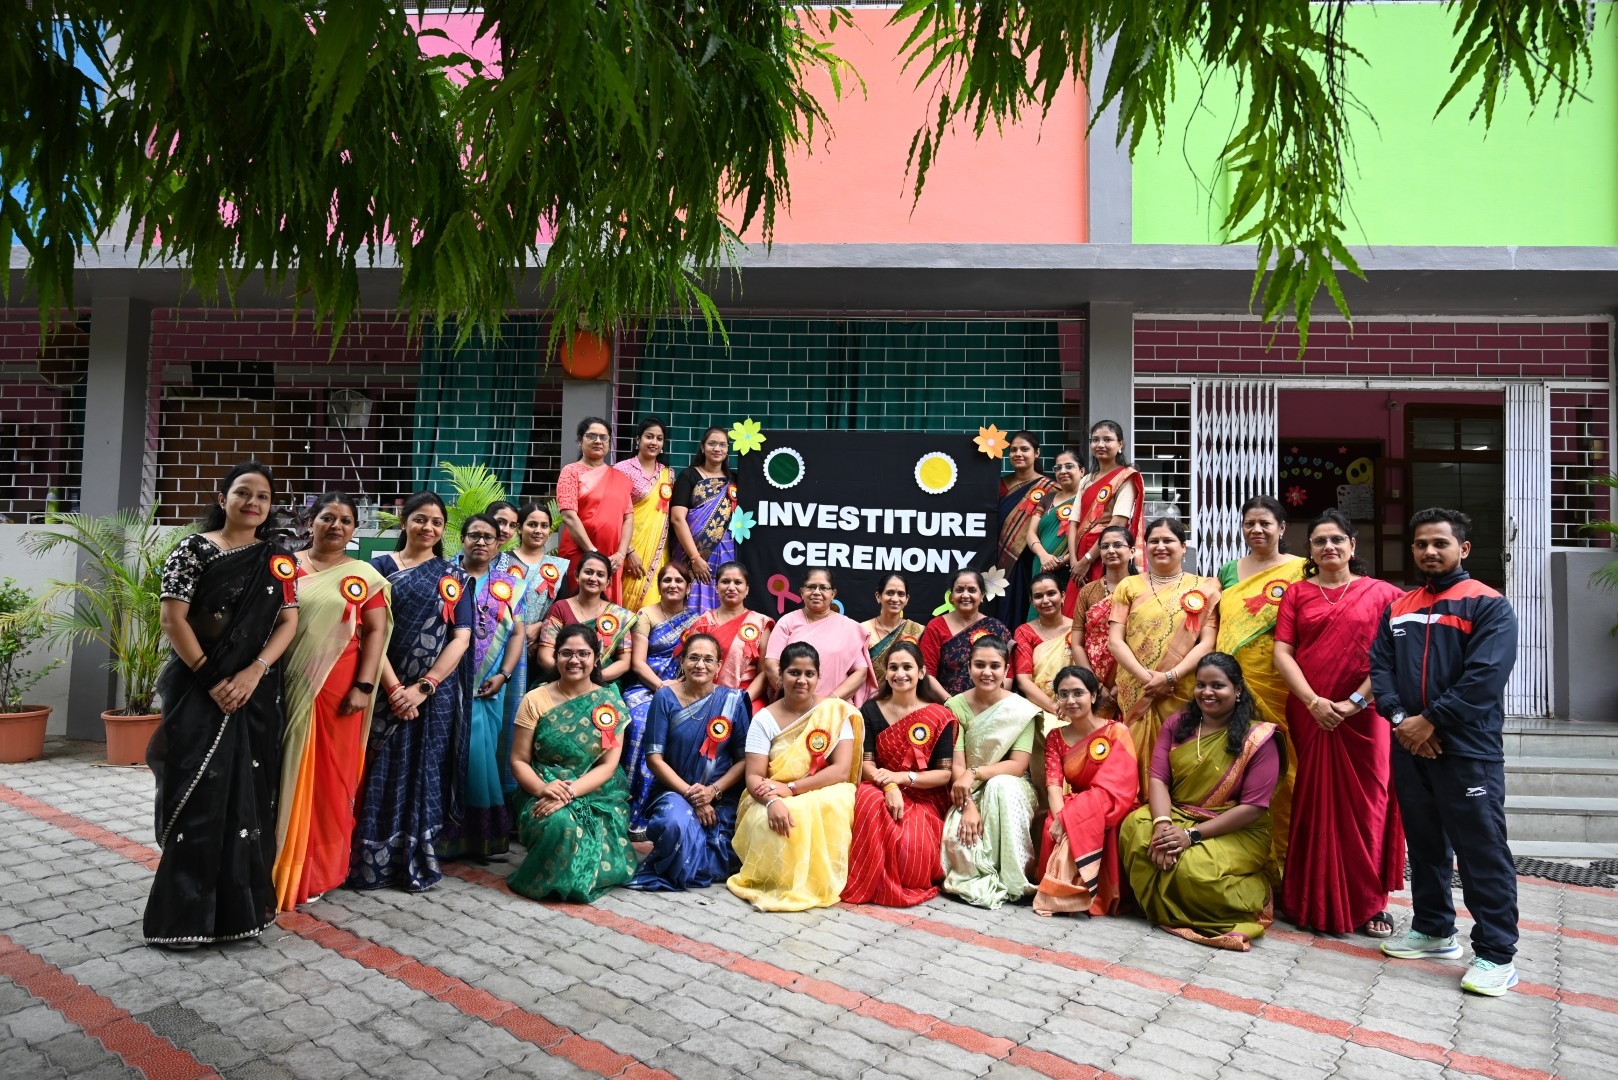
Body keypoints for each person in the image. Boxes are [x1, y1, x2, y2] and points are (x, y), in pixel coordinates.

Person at [146, 462, 298, 947]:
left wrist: (254, 671)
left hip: (253, 693)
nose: (253, 503)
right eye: (243, 492)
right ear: (223, 497)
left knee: (248, 797)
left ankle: (238, 914)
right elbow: (173, 619)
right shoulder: (193, 549)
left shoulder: (277, 559)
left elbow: (287, 622)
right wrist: (212, 679)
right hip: (198, 688)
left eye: (263, 496)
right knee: (198, 794)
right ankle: (184, 918)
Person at [1370, 507, 1520, 996]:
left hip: (1467, 749)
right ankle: (1434, 930)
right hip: (1410, 745)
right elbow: (1381, 670)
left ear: (1463, 548)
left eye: (1440, 543)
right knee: (1425, 843)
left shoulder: (1488, 604)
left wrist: (1430, 721)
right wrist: (1402, 721)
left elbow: (1484, 677)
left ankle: (1497, 954)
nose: (1429, 551)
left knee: (1481, 849)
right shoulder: (1399, 607)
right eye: (1421, 544)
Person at [1273, 510, 1405, 938]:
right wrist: (1313, 702)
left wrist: (1354, 702)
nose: (1328, 546)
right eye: (1319, 541)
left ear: (1353, 545)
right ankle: (1309, 899)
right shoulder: (1297, 594)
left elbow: (1391, 657)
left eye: (1336, 539)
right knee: (1314, 802)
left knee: (1370, 803)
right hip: (1310, 714)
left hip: (1366, 716)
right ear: (1309, 550)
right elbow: (1282, 652)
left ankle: (1370, 904)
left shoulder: (1383, 594)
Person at [273, 492, 393, 910]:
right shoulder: (284, 566)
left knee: (329, 779)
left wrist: (364, 685)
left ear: (354, 529)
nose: (336, 526)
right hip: (282, 684)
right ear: (310, 522)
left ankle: (318, 870)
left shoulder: (364, 576)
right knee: (278, 773)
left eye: (345, 520)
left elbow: (375, 631)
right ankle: (274, 861)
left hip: (338, 689)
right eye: (327, 517)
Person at [349, 491, 473, 892]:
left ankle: (417, 857)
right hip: (382, 689)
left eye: (436, 522)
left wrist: (424, 686)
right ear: (404, 522)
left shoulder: (453, 577)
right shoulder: (377, 569)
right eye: (420, 519)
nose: (428, 528)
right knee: (378, 771)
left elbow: (461, 638)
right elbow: (368, 632)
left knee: (423, 771)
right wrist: (394, 689)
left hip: (431, 698)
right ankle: (368, 861)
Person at [1119, 653, 1282, 951]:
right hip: (1177, 815)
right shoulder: (1177, 724)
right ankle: (1168, 904)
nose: (1207, 692)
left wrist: (1190, 836)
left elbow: (1253, 807)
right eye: (1201, 685)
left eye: (1217, 685)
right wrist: (1162, 826)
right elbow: (1158, 779)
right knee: (1134, 829)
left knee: (1191, 869)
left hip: (1234, 829)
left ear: (1237, 690)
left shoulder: (1259, 738)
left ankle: (1249, 895)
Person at [727, 642, 864, 911]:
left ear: (818, 677)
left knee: (832, 803)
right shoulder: (764, 719)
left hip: (822, 789)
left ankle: (815, 884)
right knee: (768, 820)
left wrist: (792, 788)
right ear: (780, 675)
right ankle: (779, 883)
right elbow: (754, 776)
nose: (802, 680)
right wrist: (771, 801)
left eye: (809, 674)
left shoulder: (834, 712)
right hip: (771, 793)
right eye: (794, 673)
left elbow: (840, 770)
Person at [506, 624, 636, 902]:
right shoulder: (535, 699)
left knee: (586, 829)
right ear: (555, 657)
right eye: (566, 653)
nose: (574, 660)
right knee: (559, 823)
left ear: (596, 658)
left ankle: (569, 878)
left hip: (596, 791)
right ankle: (544, 882)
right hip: (543, 786)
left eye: (583, 654)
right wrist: (543, 789)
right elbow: (518, 760)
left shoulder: (609, 702)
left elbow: (608, 766)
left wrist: (570, 792)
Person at [1214, 495, 1307, 879]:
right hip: (1233, 687)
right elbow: (1219, 625)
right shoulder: (1229, 571)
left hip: (1279, 683)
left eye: (1265, 523)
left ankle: (1288, 863)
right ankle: (1244, 860)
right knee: (1238, 767)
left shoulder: (1301, 569)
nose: (1256, 530)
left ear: (1281, 528)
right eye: (1249, 523)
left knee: (1285, 768)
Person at [628, 633, 754, 891]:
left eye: (708, 659)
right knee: (674, 824)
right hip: (674, 790)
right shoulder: (665, 697)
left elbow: (744, 760)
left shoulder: (733, 701)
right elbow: (654, 759)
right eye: (694, 658)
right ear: (682, 662)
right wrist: (693, 796)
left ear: (719, 665)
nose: (700, 665)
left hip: (720, 794)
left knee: (724, 843)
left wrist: (712, 791)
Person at [1108, 517, 1220, 796]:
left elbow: (1207, 642)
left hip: (1180, 688)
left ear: (1183, 547)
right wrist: (1149, 680)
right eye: (1154, 541)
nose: (1160, 546)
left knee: (1180, 754)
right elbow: (1115, 641)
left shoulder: (1205, 587)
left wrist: (1169, 676)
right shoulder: (1128, 585)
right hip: (1138, 688)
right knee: (1134, 761)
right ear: (1144, 547)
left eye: (1168, 540)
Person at [842, 642, 956, 907]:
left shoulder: (939, 715)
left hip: (923, 796)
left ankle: (890, 882)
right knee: (867, 797)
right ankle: (867, 879)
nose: (900, 674)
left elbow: (943, 775)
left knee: (909, 855)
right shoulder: (871, 709)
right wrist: (890, 787)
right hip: (879, 786)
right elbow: (866, 764)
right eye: (893, 668)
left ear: (921, 672)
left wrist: (903, 778)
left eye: (907, 667)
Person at [441, 512, 526, 858]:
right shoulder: (444, 575)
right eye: (474, 535)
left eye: (488, 537)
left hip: (487, 684)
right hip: (445, 681)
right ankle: (442, 836)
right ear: (462, 539)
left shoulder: (510, 585)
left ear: (498, 543)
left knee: (480, 757)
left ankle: (478, 838)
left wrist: (504, 674)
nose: (480, 542)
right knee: (444, 756)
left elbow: (517, 633)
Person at [939, 635, 1041, 909]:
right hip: (966, 790)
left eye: (995, 666)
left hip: (1012, 788)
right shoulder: (955, 706)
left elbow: (1018, 765)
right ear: (968, 667)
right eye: (979, 665)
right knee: (962, 844)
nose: (987, 672)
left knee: (1001, 786)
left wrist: (975, 772)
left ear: (1006, 670)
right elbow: (957, 765)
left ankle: (1014, 879)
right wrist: (968, 806)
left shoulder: (1020, 710)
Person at [1033, 666, 1138, 917]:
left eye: (1078, 693)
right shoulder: (1055, 737)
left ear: (1093, 695)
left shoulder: (1117, 731)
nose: (1070, 700)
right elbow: (1053, 785)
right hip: (1076, 802)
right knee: (1049, 825)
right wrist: (1061, 818)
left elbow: (1118, 785)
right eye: (1063, 694)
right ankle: (1061, 891)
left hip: (1113, 803)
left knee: (1089, 824)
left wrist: (1070, 819)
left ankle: (1089, 894)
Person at [621, 562, 700, 834]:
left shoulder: (696, 620)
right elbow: (638, 663)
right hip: (645, 688)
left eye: (679, 580)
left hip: (682, 689)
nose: (673, 585)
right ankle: (631, 806)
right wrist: (660, 688)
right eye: (667, 580)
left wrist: (678, 688)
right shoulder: (646, 615)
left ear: (688, 587)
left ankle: (663, 806)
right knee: (642, 722)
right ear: (659, 585)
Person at [764, 567, 877, 705]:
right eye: (811, 587)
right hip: (793, 706)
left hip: (835, 707)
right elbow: (771, 664)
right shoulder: (787, 622)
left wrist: (827, 703)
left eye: (823, 588)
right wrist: (796, 697)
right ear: (802, 592)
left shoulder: (849, 628)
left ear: (833, 594)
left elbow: (860, 672)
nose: (816, 592)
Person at [1012, 572, 1077, 807]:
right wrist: (1054, 707)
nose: (1046, 600)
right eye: (1038, 596)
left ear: (1063, 595)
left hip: (1077, 705)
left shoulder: (1077, 628)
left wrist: (1070, 706)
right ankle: (1048, 806)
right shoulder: (1024, 632)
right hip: (1041, 707)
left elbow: (1085, 671)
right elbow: (1024, 681)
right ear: (1031, 601)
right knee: (1049, 730)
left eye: (1051, 593)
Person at [557, 416, 634, 602]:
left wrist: (620, 554)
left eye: (603, 437)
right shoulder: (571, 472)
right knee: (578, 605)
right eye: (591, 436)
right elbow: (569, 516)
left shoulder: (620, 478)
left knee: (608, 611)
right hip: (579, 553)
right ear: (580, 441)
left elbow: (628, 518)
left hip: (613, 559)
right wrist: (594, 553)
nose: (598, 441)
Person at [1066, 420, 1144, 596]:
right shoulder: (1086, 480)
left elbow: (1118, 522)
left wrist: (1087, 560)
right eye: (1095, 440)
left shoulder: (1125, 478)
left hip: (1105, 555)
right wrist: (1074, 562)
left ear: (1120, 444)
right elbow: (1074, 522)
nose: (1100, 444)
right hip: (1079, 557)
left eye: (1107, 440)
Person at [536, 551, 634, 683]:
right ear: (577, 575)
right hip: (562, 680)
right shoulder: (560, 608)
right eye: (588, 572)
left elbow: (624, 662)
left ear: (608, 582)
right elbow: (544, 657)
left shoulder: (618, 615)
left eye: (600, 575)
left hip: (602, 683)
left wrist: (593, 679)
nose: (593, 578)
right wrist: (572, 676)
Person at [670, 425, 738, 612]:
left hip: (727, 552)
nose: (717, 449)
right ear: (702, 447)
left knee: (725, 595)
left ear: (727, 450)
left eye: (722, 445)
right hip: (693, 555)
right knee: (692, 601)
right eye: (712, 444)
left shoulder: (734, 480)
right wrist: (695, 558)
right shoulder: (689, 476)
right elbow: (677, 519)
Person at [690, 561, 773, 709]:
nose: (731, 587)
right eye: (725, 582)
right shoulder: (703, 623)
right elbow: (691, 665)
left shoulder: (760, 623)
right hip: (705, 696)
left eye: (738, 582)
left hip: (748, 697)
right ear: (716, 588)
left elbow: (764, 672)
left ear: (747, 589)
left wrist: (742, 700)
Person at [919, 569, 1013, 698]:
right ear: (952, 596)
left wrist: (990, 702)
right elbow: (927, 673)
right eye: (959, 590)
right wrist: (952, 703)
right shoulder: (936, 627)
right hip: (946, 704)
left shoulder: (997, 628)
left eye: (972, 590)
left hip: (990, 705)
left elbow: (1008, 675)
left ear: (982, 595)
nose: (965, 595)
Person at [1072, 525, 1134, 718]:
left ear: (1132, 551)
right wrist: (1096, 685)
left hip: (1134, 678)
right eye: (1105, 546)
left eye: (1118, 545)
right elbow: (1077, 644)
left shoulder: (1143, 589)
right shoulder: (1088, 592)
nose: (1111, 550)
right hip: (1094, 683)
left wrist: (1126, 681)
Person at [995, 430, 1056, 623]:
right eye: (1013, 450)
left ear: (1036, 453)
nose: (1018, 454)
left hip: (1028, 561)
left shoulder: (1051, 489)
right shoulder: (998, 485)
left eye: (1024, 449)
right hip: (996, 559)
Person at [615, 417, 674, 611]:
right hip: (626, 548)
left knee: (652, 606)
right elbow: (614, 515)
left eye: (659, 438)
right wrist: (628, 551)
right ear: (638, 439)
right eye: (649, 437)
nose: (654, 442)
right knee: (623, 606)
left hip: (657, 552)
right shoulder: (622, 470)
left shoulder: (667, 474)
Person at [1022, 448, 1083, 618]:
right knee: (1037, 612)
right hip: (1041, 564)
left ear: (1082, 470)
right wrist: (1044, 557)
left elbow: (1089, 538)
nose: (1063, 471)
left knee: (1066, 615)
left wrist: (1062, 560)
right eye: (1058, 468)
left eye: (1069, 466)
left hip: (1070, 568)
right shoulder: (1047, 498)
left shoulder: (1087, 500)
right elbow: (1031, 533)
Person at [509, 501, 570, 659]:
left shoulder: (558, 566)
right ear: (520, 528)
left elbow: (562, 606)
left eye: (544, 526)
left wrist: (540, 626)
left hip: (542, 646)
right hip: (503, 641)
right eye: (532, 524)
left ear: (549, 531)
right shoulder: (502, 561)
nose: (538, 530)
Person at [860, 573, 926, 695]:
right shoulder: (862, 630)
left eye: (901, 594)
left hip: (906, 697)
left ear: (907, 599)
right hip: (868, 699)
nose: (895, 599)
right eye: (890, 593)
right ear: (878, 596)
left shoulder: (918, 630)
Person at [487, 500, 521, 571]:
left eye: (512, 525)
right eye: (500, 522)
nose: (506, 530)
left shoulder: (514, 567)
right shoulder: (465, 560)